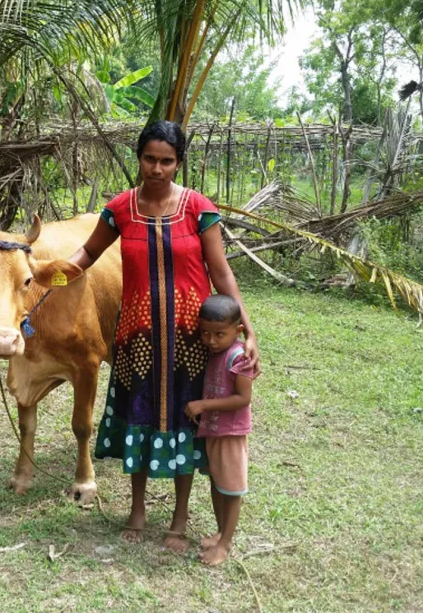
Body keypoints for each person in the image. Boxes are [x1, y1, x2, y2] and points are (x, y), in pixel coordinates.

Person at [67, 120, 260, 552]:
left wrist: (247, 330)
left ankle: (179, 517)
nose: (157, 168)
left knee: (185, 422)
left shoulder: (198, 208)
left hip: (192, 340)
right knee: (139, 417)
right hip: (136, 337)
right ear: (138, 158)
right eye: (150, 159)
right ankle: (136, 510)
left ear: (178, 163)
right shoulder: (120, 209)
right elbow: (88, 252)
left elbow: (221, 272)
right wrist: (49, 272)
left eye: (167, 161)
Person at [184, 294, 259, 566]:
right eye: (205, 333)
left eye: (219, 334)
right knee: (217, 484)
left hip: (230, 434)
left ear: (237, 331)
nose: (211, 340)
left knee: (232, 490)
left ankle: (225, 544)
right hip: (214, 431)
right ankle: (220, 532)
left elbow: (243, 398)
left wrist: (204, 405)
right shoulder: (215, 353)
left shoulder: (239, 357)